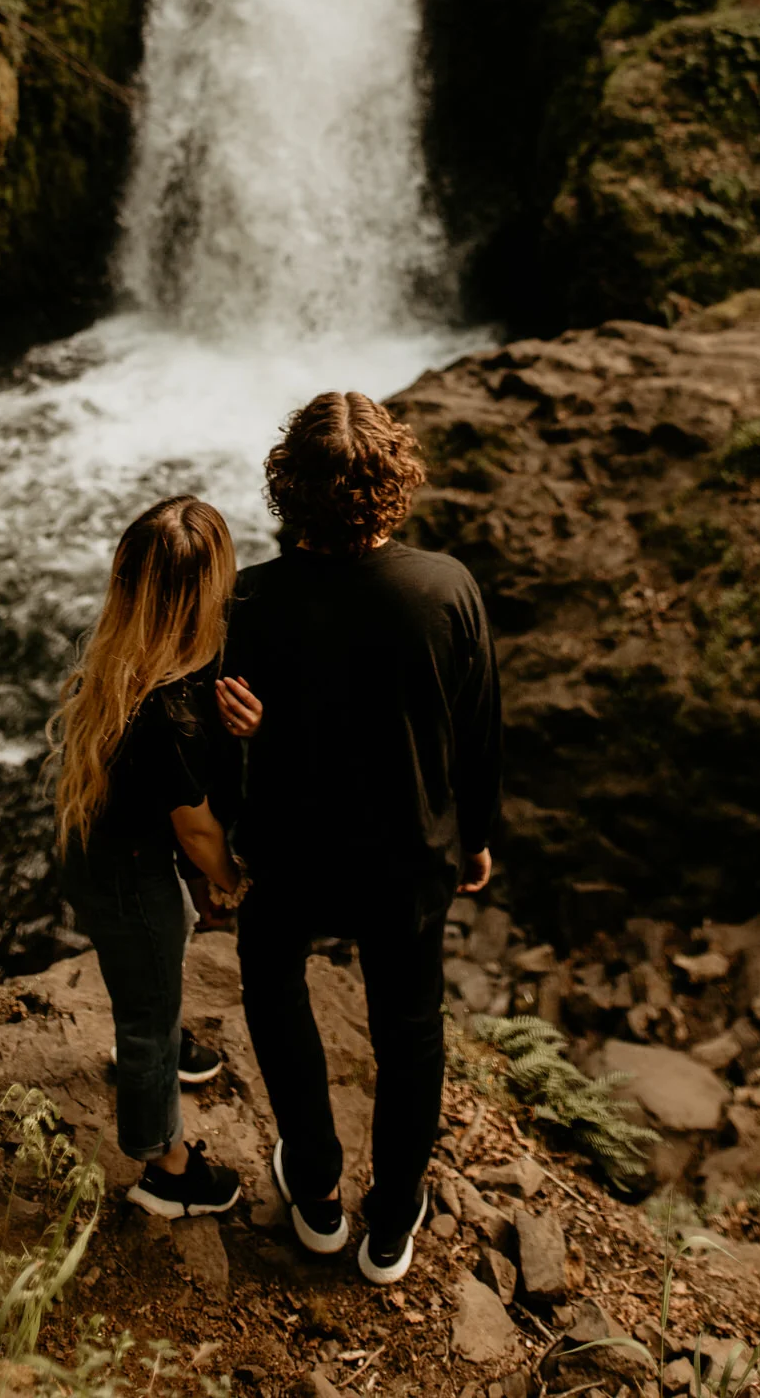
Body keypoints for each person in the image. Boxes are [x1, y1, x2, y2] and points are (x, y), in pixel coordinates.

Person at [227, 391, 502, 1285]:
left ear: (288, 487)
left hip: (288, 854)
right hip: (408, 855)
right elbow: (478, 729)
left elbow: (210, 732)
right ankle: (392, 1222)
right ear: (394, 482)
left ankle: (313, 1193)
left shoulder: (248, 603)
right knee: (411, 1028)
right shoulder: (445, 589)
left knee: (275, 995)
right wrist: (478, 835)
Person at [49, 494, 264, 1219]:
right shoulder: (166, 712)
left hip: (108, 852)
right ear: (202, 592)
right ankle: (164, 1167)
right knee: (144, 1015)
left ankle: (164, 1039)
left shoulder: (128, 662)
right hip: (128, 873)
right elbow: (198, 833)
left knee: (149, 978)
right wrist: (231, 883)